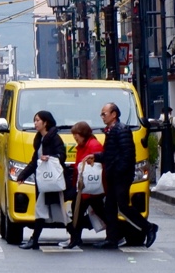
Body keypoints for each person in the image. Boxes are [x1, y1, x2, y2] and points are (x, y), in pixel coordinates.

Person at [95, 102, 157, 249]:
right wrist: (96, 157)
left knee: (123, 206)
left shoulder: (121, 130)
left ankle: (149, 227)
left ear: (114, 114)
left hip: (120, 176)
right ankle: (112, 239)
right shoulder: (111, 131)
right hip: (114, 175)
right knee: (110, 206)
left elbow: (127, 155)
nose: (102, 116)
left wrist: (118, 171)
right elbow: (110, 154)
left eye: (104, 113)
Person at [11, 111, 67, 249]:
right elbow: (34, 161)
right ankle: (74, 237)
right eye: (34, 120)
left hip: (51, 181)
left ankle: (34, 240)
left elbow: (62, 156)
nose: (35, 123)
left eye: (37, 120)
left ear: (45, 122)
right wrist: (22, 176)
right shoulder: (39, 139)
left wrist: (49, 157)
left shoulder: (54, 138)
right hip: (44, 181)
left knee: (44, 210)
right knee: (53, 211)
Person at [66, 120, 107, 249]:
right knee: (94, 211)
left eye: (76, 135)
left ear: (82, 134)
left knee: (78, 211)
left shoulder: (93, 145)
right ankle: (75, 238)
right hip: (85, 187)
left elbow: (97, 165)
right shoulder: (83, 146)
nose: (75, 138)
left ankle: (75, 238)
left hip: (90, 188)